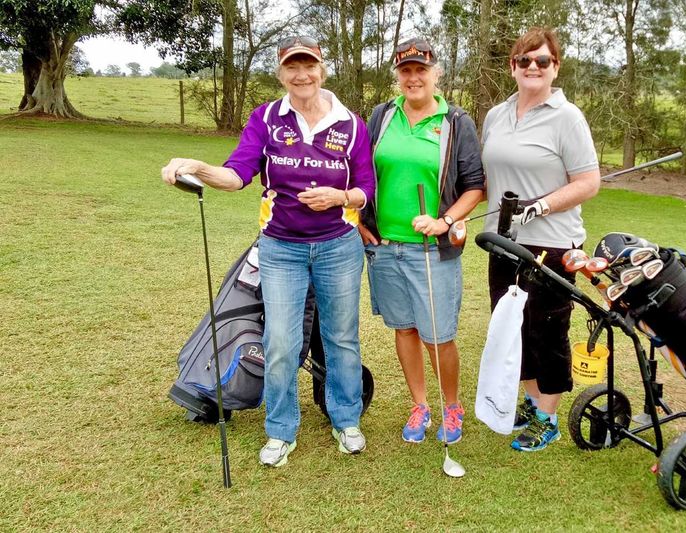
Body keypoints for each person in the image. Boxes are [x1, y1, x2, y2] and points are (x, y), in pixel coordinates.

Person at [161, 36, 376, 467]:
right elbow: (238, 174)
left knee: (341, 339)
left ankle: (346, 419)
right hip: (280, 249)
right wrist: (198, 168)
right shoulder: (266, 119)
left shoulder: (351, 123)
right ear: (281, 74)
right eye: (292, 68)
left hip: (338, 247)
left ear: (322, 69)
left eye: (309, 65)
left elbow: (367, 189)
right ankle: (280, 430)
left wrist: (340, 197)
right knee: (280, 340)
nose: (302, 75)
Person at [481, 27, 601, 452]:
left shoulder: (567, 117)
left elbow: (588, 181)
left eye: (542, 61)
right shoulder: (497, 114)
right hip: (504, 241)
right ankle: (532, 404)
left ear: (555, 67)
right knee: (512, 327)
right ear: (513, 66)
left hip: (551, 243)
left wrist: (542, 205)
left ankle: (547, 416)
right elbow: (488, 177)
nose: (533, 67)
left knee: (546, 328)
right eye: (525, 61)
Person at [359, 37, 484, 444]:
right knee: (405, 329)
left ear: (436, 74)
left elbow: (475, 187)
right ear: (397, 76)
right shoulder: (380, 117)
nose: (414, 78)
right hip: (384, 247)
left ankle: (452, 406)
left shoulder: (455, 122)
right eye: (406, 71)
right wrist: (362, 223)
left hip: (431, 249)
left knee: (438, 334)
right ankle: (420, 405)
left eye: (421, 70)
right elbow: (358, 173)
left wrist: (445, 219)